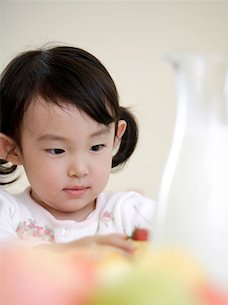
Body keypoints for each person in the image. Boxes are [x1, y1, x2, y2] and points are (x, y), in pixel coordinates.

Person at [0, 45, 155, 253]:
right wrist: (72, 254)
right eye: (57, 150)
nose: (80, 169)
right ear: (12, 149)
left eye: (97, 146)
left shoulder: (129, 213)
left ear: (117, 136)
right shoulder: (7, 212)